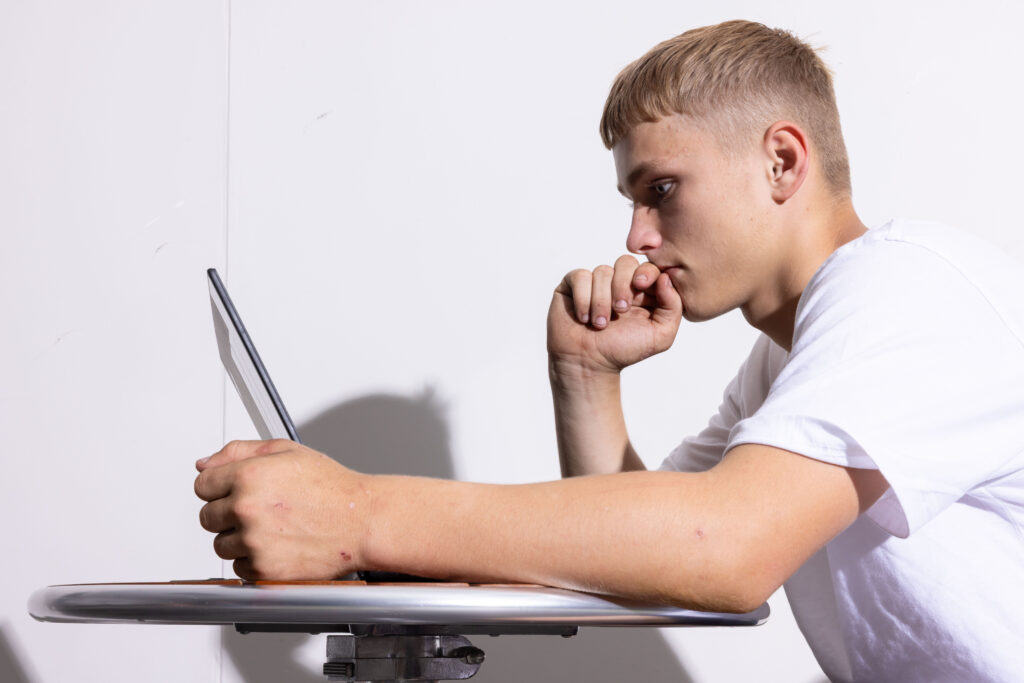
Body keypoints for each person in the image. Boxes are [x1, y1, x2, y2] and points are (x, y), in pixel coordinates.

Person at [193, 20, 1024, 682]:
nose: (637, 236)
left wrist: (356, 515)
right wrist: (585, 378)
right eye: (632, 202)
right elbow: (644, 559)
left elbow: (722, 546)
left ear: (781, 160)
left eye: (661, 191)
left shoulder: (910, 291)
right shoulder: (785, 365)